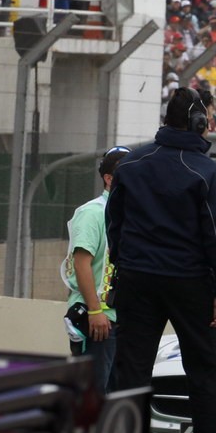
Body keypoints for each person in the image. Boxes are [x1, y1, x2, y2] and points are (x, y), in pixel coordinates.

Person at [107, 87, 216, 433]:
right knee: (204, 372)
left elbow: (114, 224)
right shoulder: (204, 172)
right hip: (190, 282)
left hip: (137, 279)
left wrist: (124, 265)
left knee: (130, 372)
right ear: (199, 123)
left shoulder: (132, 165)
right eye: (209, 118)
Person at [62, 146, 130, 391]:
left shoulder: (130, 214)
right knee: (92, 396)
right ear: (108, 178)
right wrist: (94, 311)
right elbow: (82, 263)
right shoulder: (93, 213)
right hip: (98, 320)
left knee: (115, 398)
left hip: (121, 321)